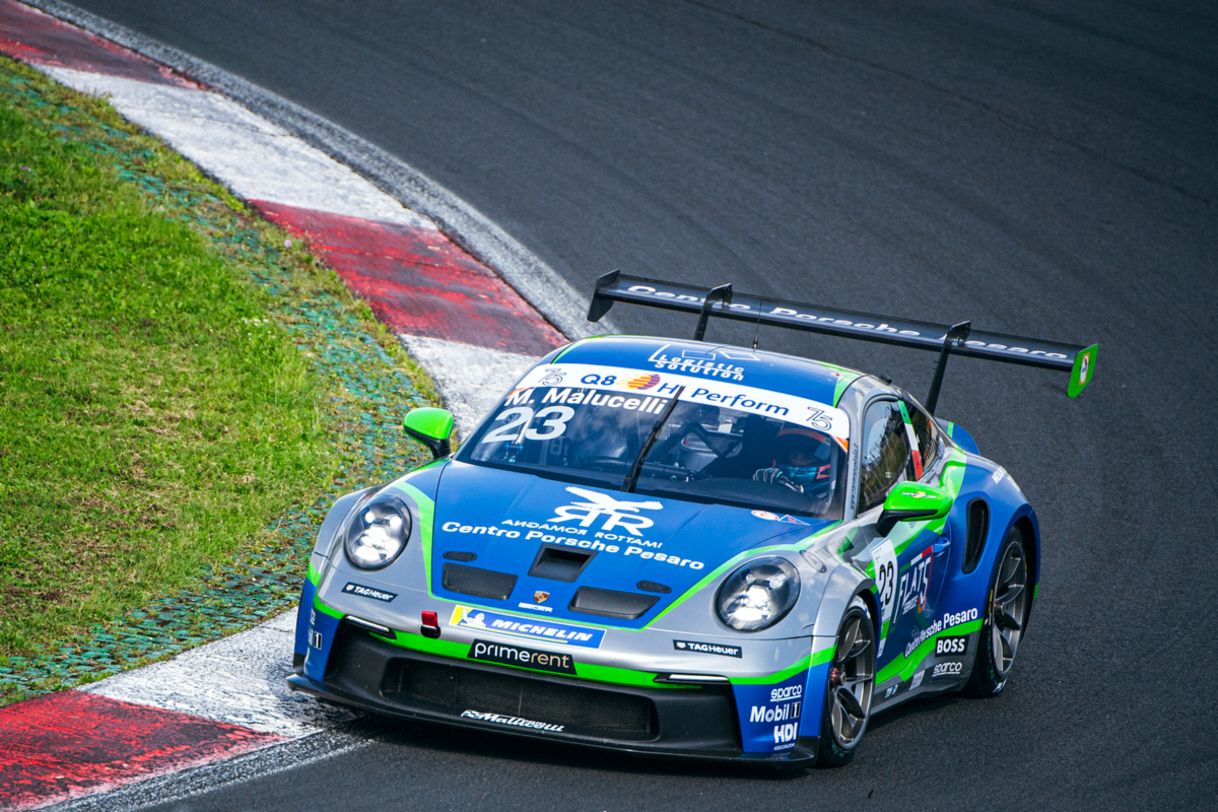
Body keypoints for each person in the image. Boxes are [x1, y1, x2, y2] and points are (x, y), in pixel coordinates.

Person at [753, 426, 833, 494]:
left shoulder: (838, 500)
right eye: (793, 456)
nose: (798, 462)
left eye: (808, 458)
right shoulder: (765, 478)